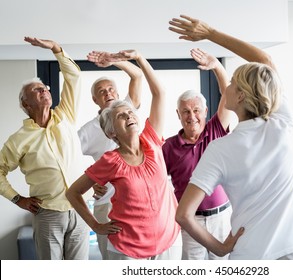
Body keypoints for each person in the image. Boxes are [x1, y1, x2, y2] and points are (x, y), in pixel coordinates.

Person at [170, 15, 293, 260]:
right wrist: (211, 33)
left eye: (233, 83)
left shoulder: (219, 149)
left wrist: (219, 248)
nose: (227, 86)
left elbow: (183, 214)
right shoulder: (282, 123)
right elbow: (265, 60)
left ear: (240, 97)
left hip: (250, 256)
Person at [66, 49, 182, 260]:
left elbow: (160, 93)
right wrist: (95, 225)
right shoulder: (110, 160)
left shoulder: (151, 139)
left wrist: (138, 57)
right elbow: (72, 192)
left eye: (130, 112)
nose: (129, 115)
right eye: (121, 115)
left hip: (168, 241)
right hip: (128, 248)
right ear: (111, 131)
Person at [0, 37, 89, 260]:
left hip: (80, 209)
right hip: (48, 213)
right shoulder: (18, 139)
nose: (45, 90)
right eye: (37, 90)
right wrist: (16, 198)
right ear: (26, 104)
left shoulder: (66, 116)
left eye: (45, 87)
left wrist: (56, 49)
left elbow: (74, 77)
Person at [162, 47, 233, 260]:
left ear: (205, 111)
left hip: (222, 216)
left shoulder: (216, 129)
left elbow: (229, 95)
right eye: (185, 111)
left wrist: (217, 67)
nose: (191, 116)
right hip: (191, 220)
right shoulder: (168, 146)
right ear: (178, 114)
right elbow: (152, 178)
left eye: (196, 110)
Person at [78, 54, 143, 260]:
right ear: (95, 100)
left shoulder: (127, 109)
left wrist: (113, 60)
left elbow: (137, 76)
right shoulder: (87, 131)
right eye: (101, 92)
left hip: (135, 198)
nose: (107, 93)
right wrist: (90, 182)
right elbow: (66, 159)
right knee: (113, 261)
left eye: (111, 89)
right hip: (106, 203)